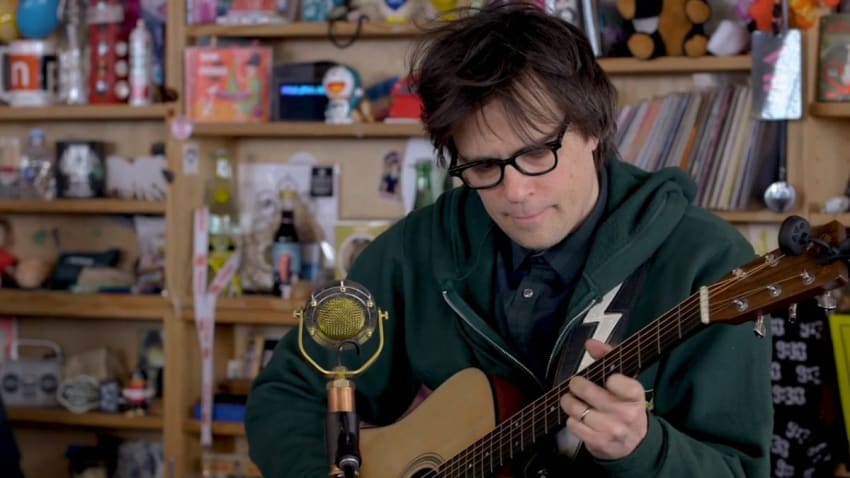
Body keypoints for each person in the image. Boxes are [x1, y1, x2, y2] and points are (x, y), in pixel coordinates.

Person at [246, 3, 772, 477]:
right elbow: (288, 396)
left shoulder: (708, 264)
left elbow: (739, 470)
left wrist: (644, 449)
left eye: (538, 153)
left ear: (594, 129)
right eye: (482, 166)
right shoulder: (418, 249)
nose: (515, 192)